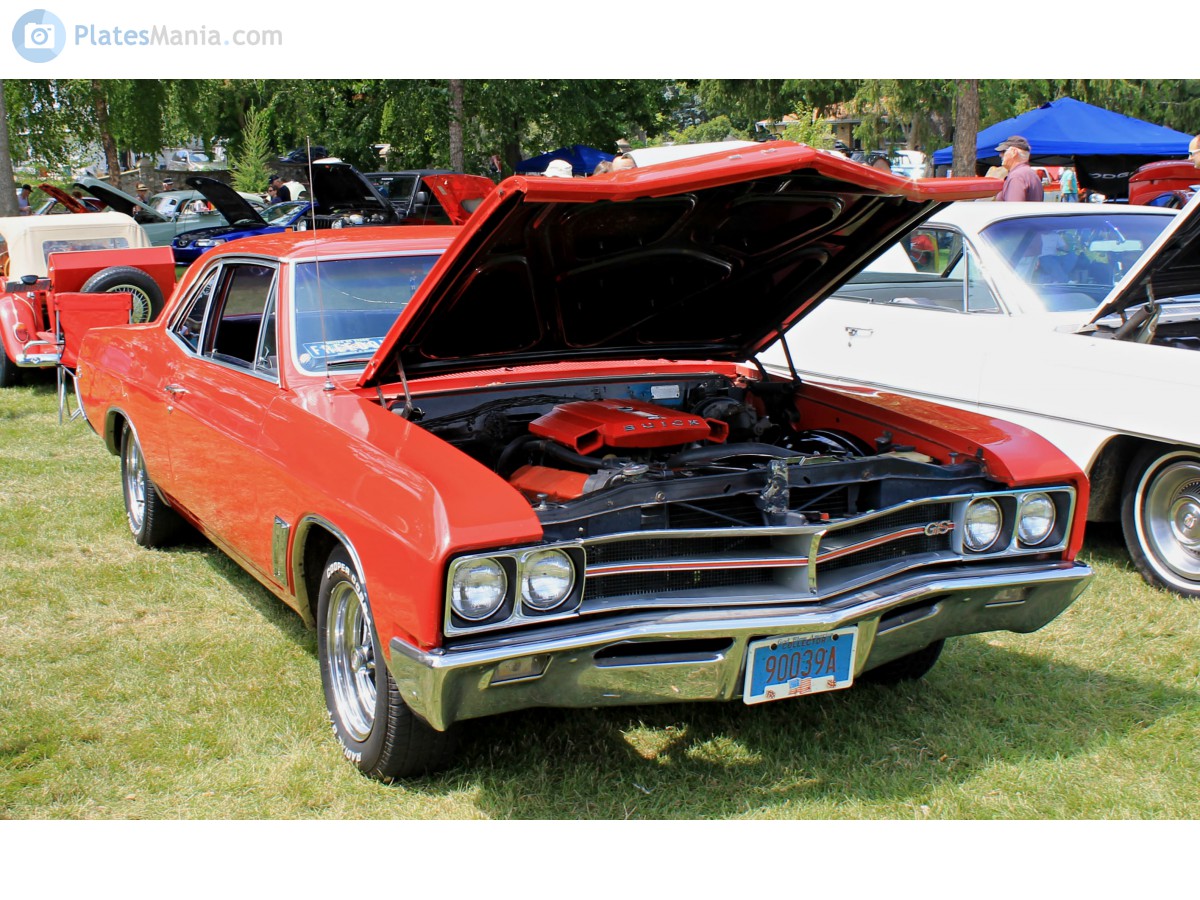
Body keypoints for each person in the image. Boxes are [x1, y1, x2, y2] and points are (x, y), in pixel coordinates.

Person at [994, 136, 1044, 202]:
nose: (1000, 155)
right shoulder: (1030, 173)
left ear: (1014, 152)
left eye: (1003, 151)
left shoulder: (1017, 176)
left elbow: (1014, 209)